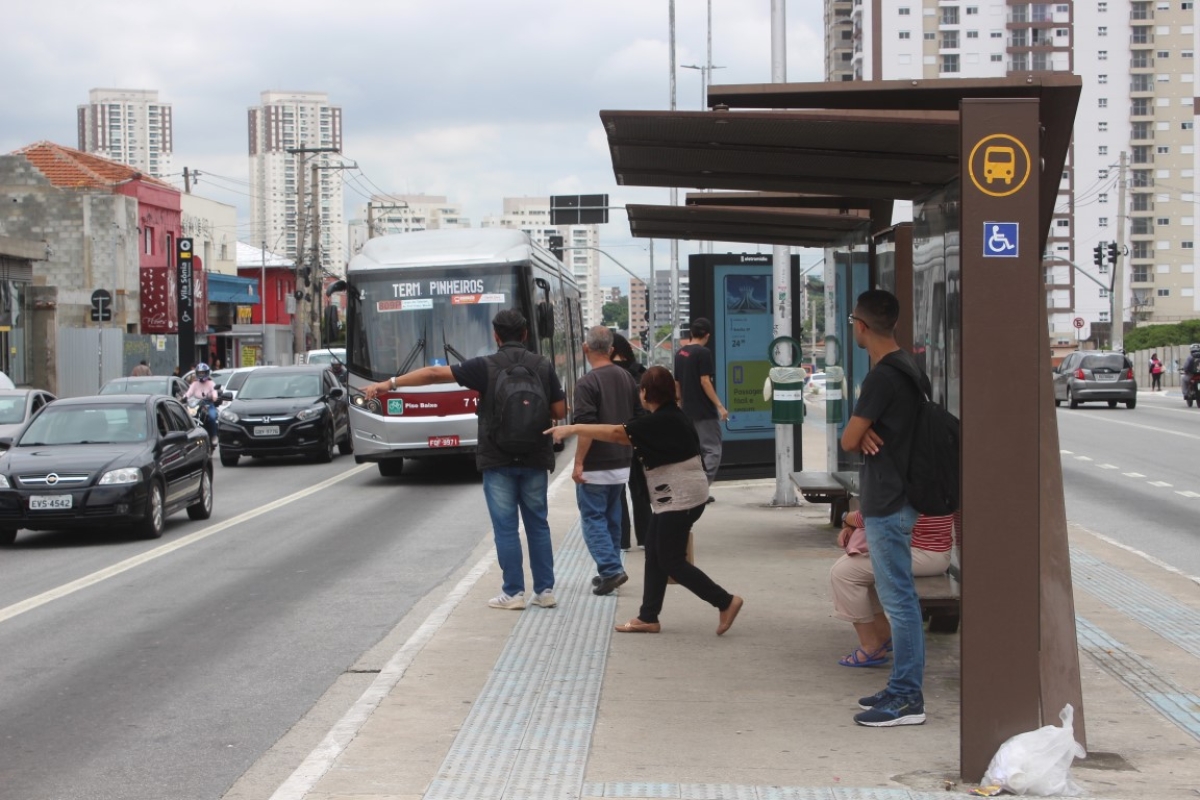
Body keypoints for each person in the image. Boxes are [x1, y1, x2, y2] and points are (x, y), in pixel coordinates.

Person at [364, 309, 566, 611]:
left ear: (495, 335)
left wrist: (389, 384)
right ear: (525, 335)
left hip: (498, 459)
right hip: (536, 457)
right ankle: (545, 590)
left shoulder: (485, 366)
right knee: (538, 525)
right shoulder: (543, 365)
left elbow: (434, 374)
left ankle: (513, 594)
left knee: (506, 528)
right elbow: (560, 411)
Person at [547, 365, 744, 636]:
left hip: (680, 499)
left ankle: (724, 601)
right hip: (682, 496)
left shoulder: (659, 421)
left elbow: (616, 433)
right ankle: (648, 616)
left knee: (671, 560)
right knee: (654, 548)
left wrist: (572, 428)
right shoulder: (671, 415)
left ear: (645, 393)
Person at [840, 288, 926, 727]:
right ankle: (899, 687)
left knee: (899, 602)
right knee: (898, 599)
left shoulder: (881, 376)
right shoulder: (910, 367)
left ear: (861, 325)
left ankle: (908, 699)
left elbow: (849, 439)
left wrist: (862, 430)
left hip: (889, 503)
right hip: (901, 496)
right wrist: (867, 430)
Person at [830, 510, 954, 668]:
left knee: (844, 573)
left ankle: (871, 647)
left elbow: (881, 515)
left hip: (921, 553)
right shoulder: (933, 484)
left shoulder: (911, 484)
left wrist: (846, 517)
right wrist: (852, 524)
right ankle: (883, 635)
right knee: (852, 567)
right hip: (927, 551)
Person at [572, 326, 641, 596]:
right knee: (612, 518)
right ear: (612, 350)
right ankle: (608, 571)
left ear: (586, 349)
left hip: (596, 464)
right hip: (622, 461)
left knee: (593, 518)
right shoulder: (626, 377)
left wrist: (578, 463)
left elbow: (585, 428)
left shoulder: (586, 383)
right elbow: (637, 418)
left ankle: (611, 569)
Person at [674, 317, 729, 496]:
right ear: (707, 335)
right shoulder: (703, 353)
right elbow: (705, 381)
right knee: (713, 450)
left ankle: (692, 487)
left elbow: (677, 383)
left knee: (695, 452)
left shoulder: (681, 353)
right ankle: (699, 490)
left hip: (687, 410)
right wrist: (720, 406)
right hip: (704, 410)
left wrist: (679, 404)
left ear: (691, 333)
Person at [611, 333, 649, 550]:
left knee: (617, 493)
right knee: (640, 489)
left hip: (615, 437)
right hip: (638, 436)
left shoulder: (607, 375)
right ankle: (644, 537)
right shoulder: (639, 372)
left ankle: (622, 539)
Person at [183, 362, 220, 442]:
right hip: (196, 404)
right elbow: (189, 393)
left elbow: (214, 392)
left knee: (212, 417)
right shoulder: (194, 384)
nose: (201, 374)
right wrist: (184, 397)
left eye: (203, 372)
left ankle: (214, 436)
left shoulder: (211, 383)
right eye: (199, 373)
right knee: (189, 417)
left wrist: (214, 397)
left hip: (208, 404)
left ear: (207, 373)